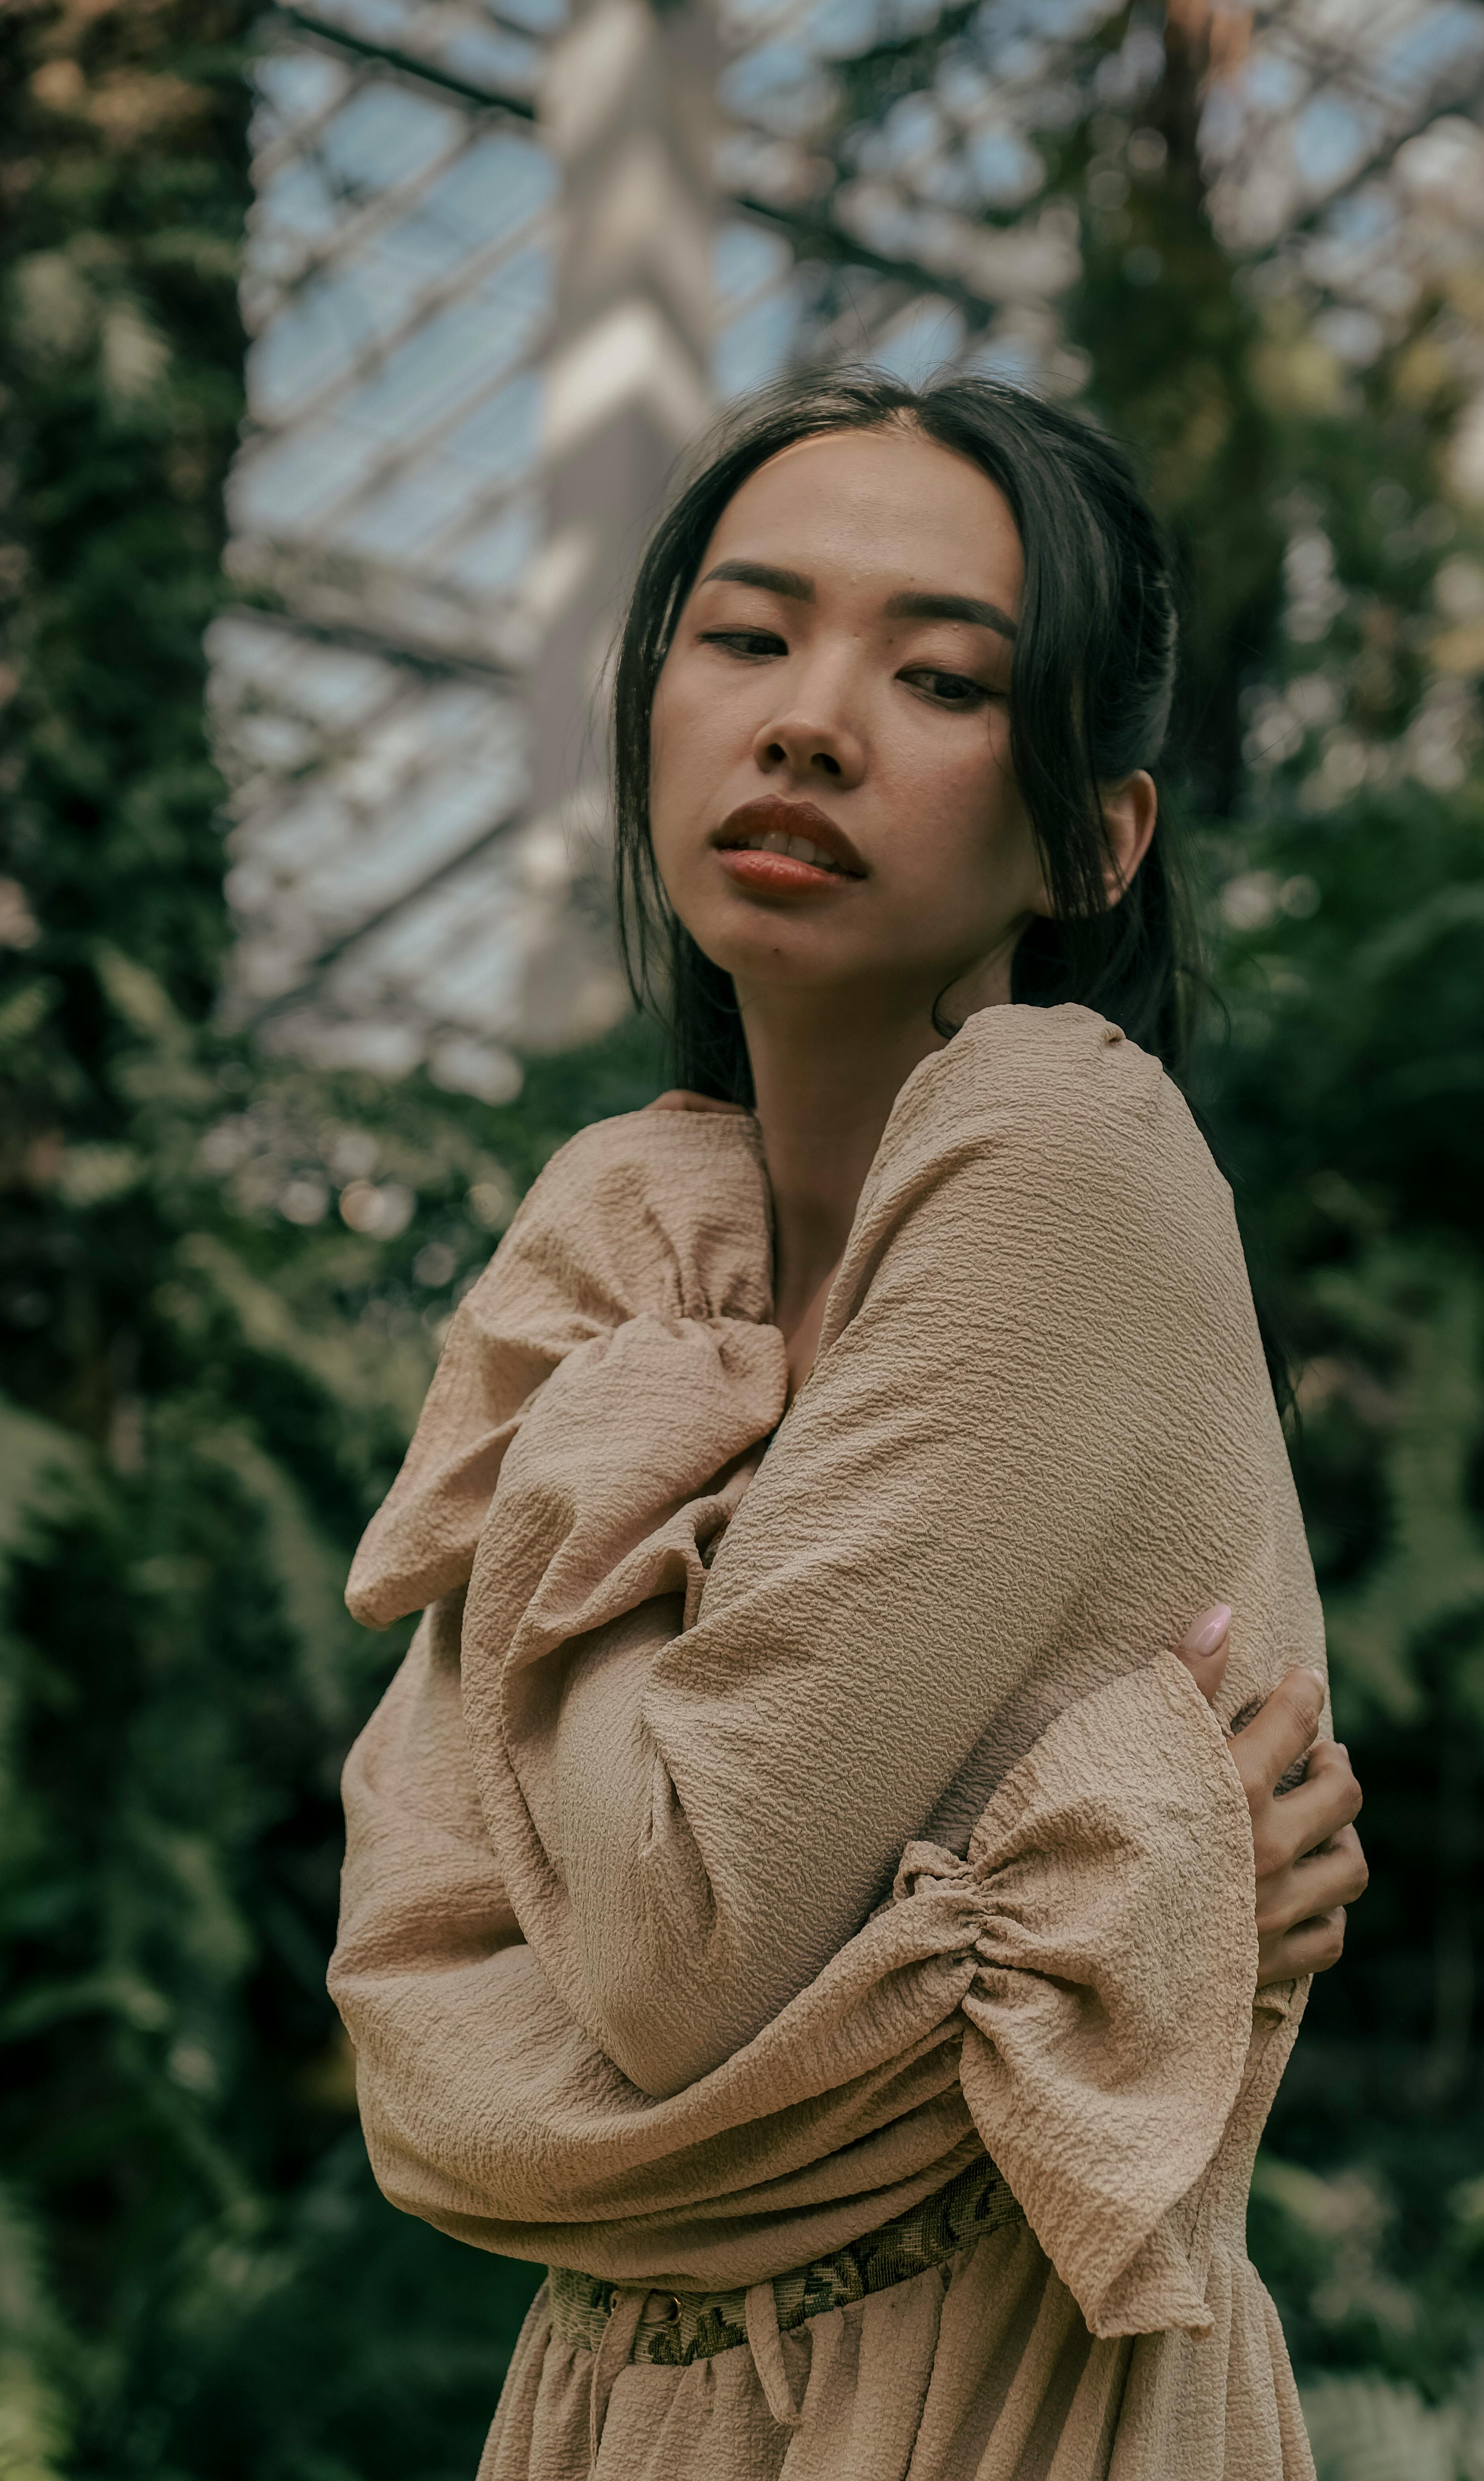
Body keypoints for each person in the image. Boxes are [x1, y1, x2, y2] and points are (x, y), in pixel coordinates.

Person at [328, 373, 1369, 2480]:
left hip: (999, 2391)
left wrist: (596, 1474)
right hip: (607, 2409)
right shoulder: (629, 1245)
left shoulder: (1060, 1142)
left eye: (942, 677)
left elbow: (667, 1946)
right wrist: (1023, 1951)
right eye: (746, 636)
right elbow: (424, 2042)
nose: (811, 720)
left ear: (1098, 833)